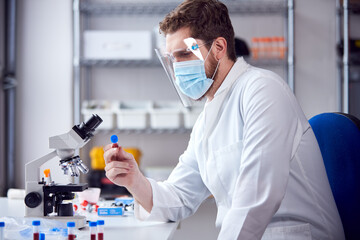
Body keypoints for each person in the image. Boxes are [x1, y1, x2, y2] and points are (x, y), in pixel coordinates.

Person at [104, 0, 345, 239]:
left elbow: (257, 196)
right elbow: (179, 196)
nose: (178, 68)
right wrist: (134, 181)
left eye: (185, 54)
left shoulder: (262, 90)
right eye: (172, 59)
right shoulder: (209, 117)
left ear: (219, 47)